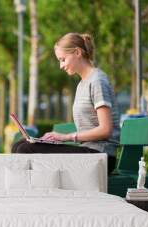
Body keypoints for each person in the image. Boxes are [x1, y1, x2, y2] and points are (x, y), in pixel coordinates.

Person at [12, 33, 120, 174]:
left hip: (101, 156)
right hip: (89, 151)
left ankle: (36, 191)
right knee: (19, 145)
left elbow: (106, 130)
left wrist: (66, 137)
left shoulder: (97, 81)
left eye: (63, 60)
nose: (61, 66)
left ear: (77, 52)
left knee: (25, 149)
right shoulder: (82, 84)